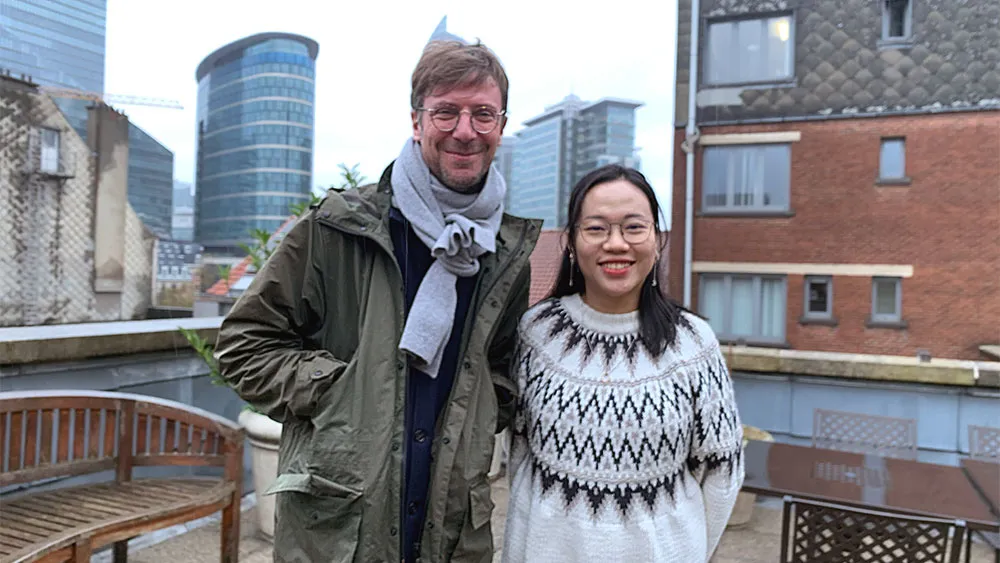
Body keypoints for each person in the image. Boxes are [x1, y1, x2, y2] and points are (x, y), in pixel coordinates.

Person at [214, 40, 541, 563]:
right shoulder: (338, 227)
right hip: (341, 525)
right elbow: (242, 344)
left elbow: (502, 367)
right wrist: (339, 392)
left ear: (501, 125)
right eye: (446, 112)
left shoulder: (505, 253)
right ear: (416, 121)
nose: (465, 130)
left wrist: (478, 415)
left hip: (451, 528)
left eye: (483, 114)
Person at [501, 165, 744, 562]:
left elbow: (721, 471)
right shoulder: (535, 333)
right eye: (596, 228)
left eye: (634, 228)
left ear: (657, 239)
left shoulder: (694, 344)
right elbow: (519, 453)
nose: (616, 244)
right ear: (572, 243)